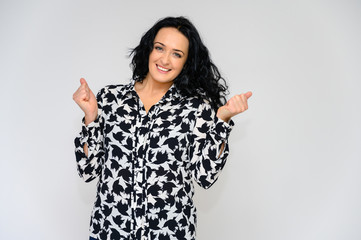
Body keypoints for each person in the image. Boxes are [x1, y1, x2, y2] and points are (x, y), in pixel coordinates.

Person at [73, 16, 252, 240]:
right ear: (149, 49)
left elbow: (206, 177)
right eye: (160, 48)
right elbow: (88, 170)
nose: (165, 60)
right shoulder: (110, 99)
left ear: (186, 62)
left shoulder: (195, 110)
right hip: (110, 232)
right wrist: (91, 116)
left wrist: (222, 121)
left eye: (177, 54)